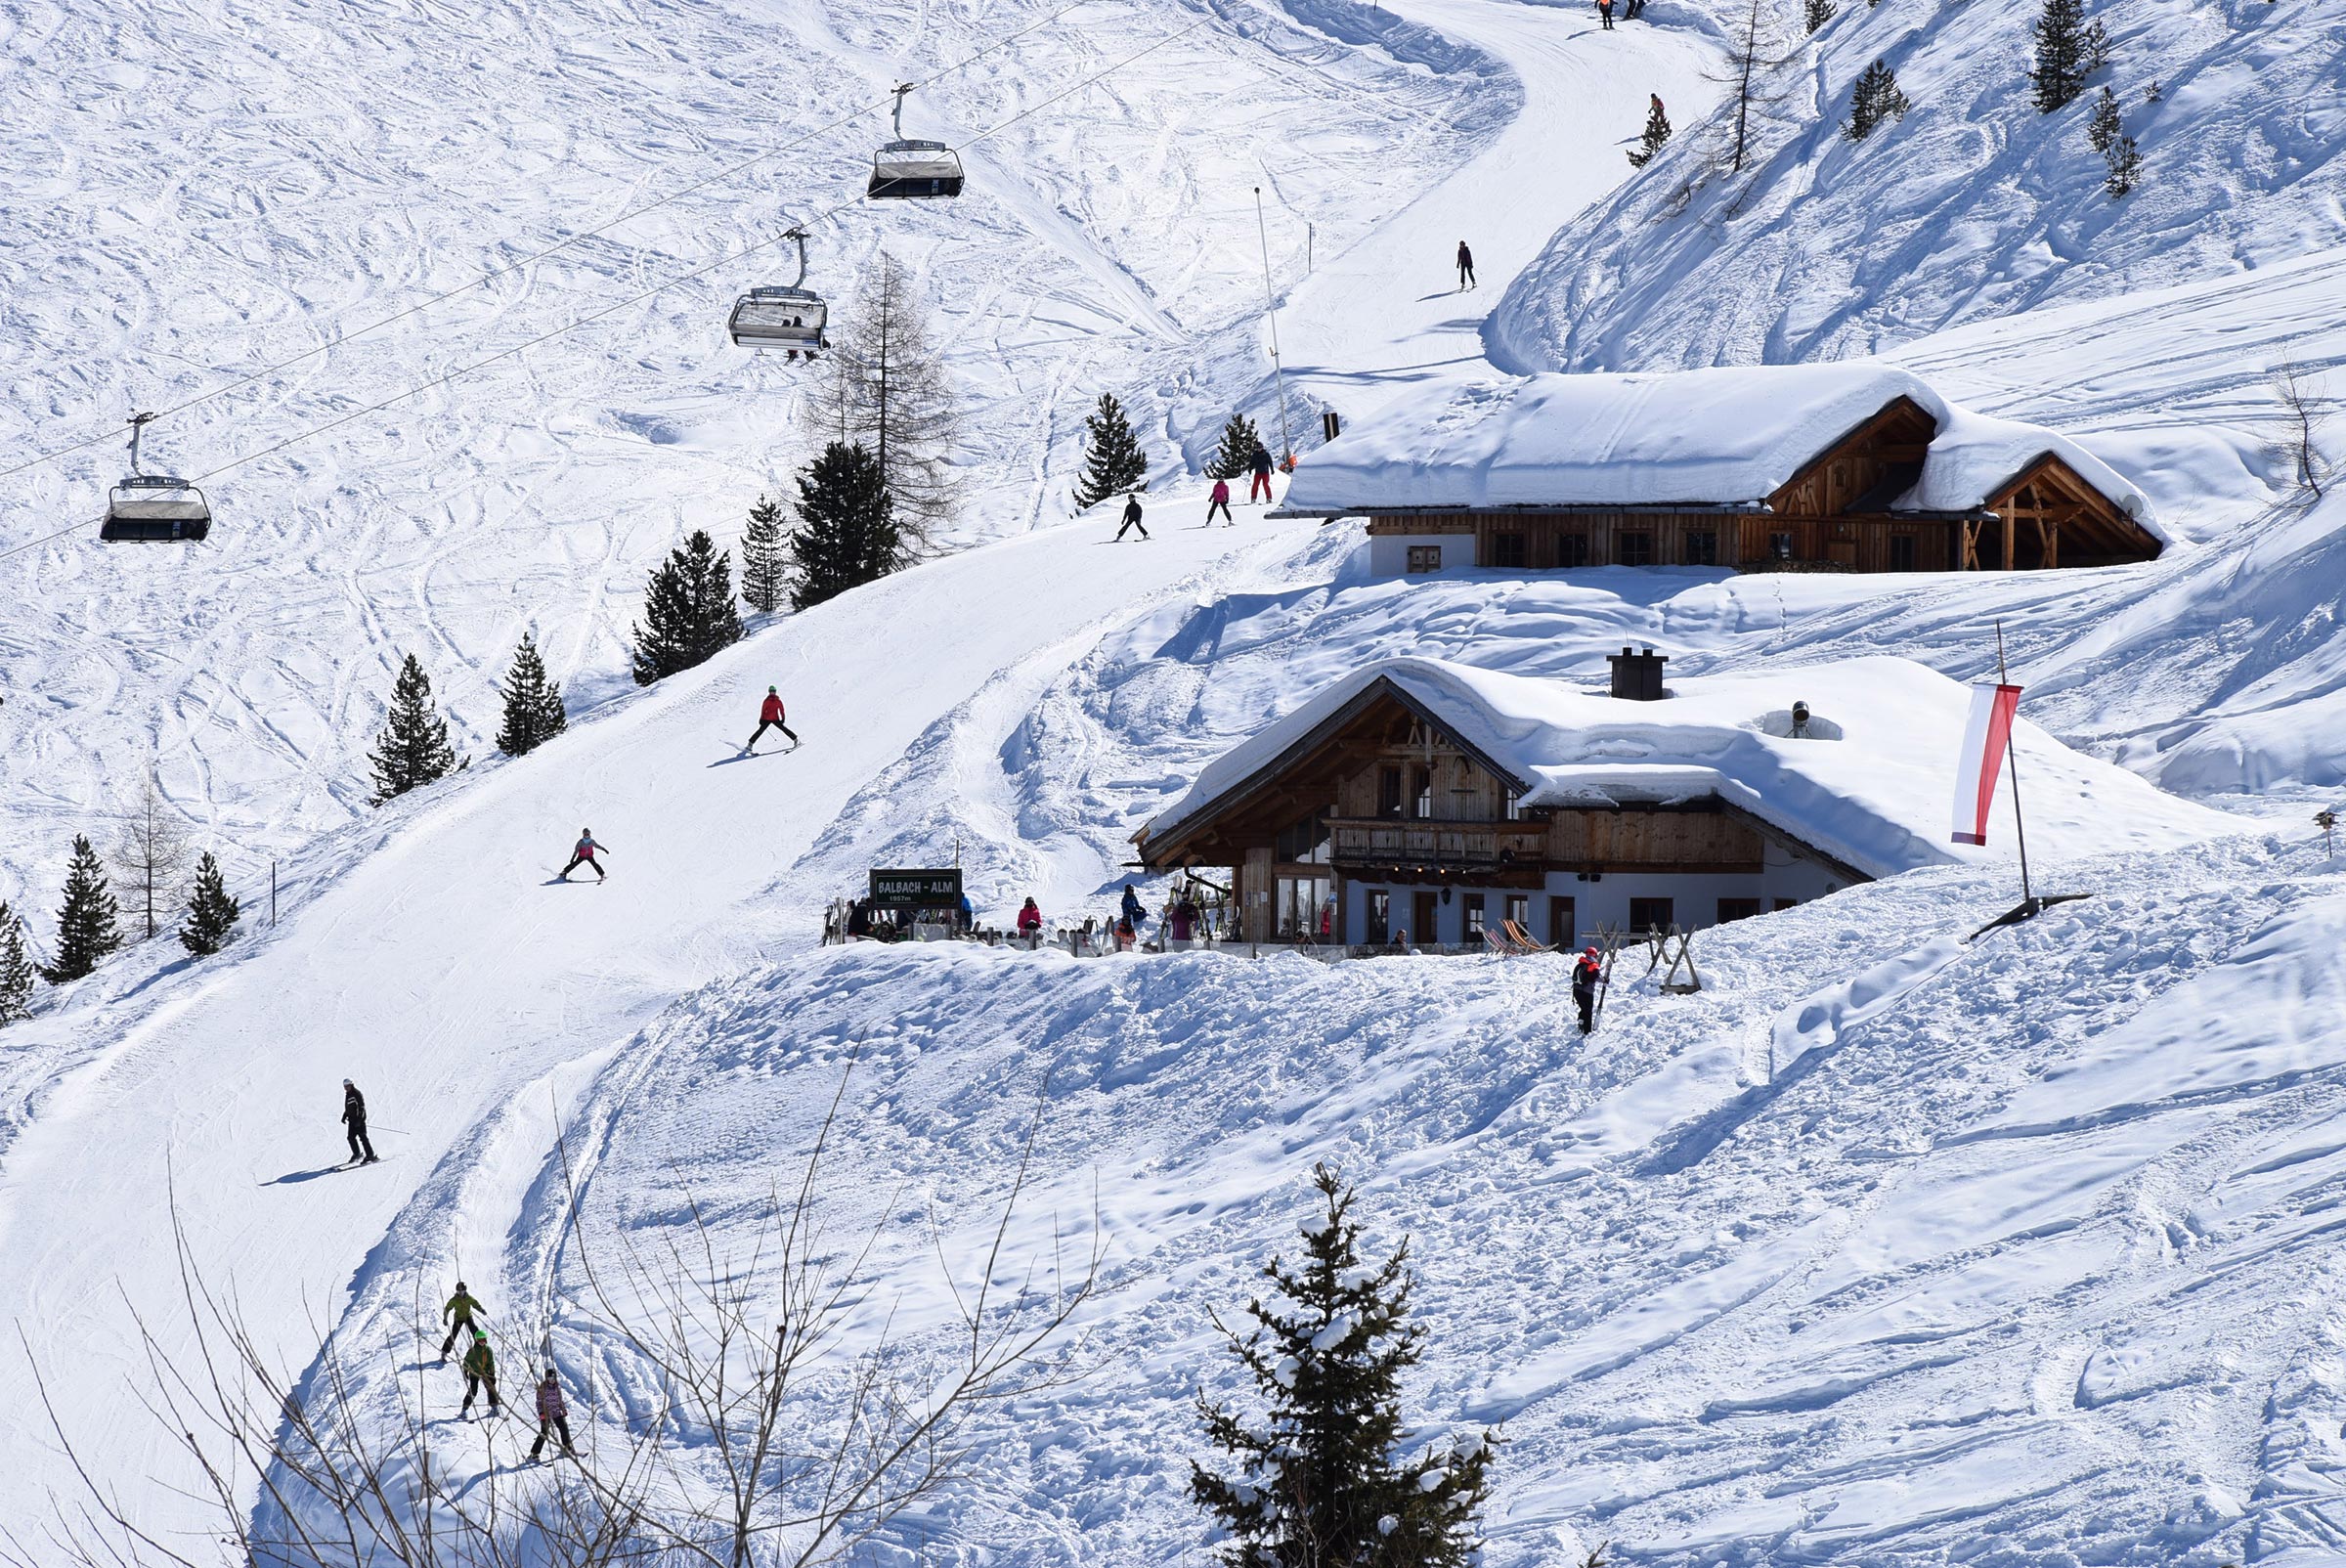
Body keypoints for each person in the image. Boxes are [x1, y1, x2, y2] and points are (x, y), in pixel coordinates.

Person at [528, 1368, 575, 1460]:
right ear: (546, 1379)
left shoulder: (557, 1387)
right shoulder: (543, 1387)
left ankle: (567, 1447)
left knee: (563, 1428)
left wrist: (563, 1409)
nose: (551, 1381)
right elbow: (538, 1402)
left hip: (556, 1411)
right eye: (549, 1379)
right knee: (544, 1433)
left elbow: (560, 1400)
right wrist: (541, 1413)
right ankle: (534, 1453)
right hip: (545, 1413)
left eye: (553, 1379)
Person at [742, 686, 799, 755]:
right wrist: (761, 718)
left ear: (775, 692)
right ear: (769, 692)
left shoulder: (778, 701)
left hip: (775, 719)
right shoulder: (766, 701)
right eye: (771, 691)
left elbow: (781, 710)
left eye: (773, 691)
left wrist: (783, 718)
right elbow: (763, 710)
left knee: (784, 729)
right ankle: (750, 744)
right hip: (766, 719)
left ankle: (795, 739)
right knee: (760, 731)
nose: (772, 693)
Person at [459, 1328, 501, 1416]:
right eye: (480, 1340)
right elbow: (466, 1361)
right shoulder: (473, 1350)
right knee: (473, 1391)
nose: (482, 1342)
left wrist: (492, 1374)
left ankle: (494, 1408)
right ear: (476, 1340)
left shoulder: (488, 1350)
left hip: (485, 1372)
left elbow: (491, 1362)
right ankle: (464, 1410)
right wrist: (465, 1371)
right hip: (474, 1372)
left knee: (491, 1388)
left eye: (484, 1340)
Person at [440, 1281, 485, 1360]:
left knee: (474, 1330)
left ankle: (480, 1349)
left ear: (465, 1291)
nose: (460, 1293)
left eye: (462, 1291)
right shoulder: (454, 1300)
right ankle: (444, 1352)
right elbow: (447, 1308)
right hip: (458, 1318)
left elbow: (475, 1304)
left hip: (468, 1316)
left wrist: (481, 1310)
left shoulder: (469, 1298)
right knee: (453, 1334)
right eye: (458, 1291)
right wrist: (445, 1318)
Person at [342, 1078, 379, 1165]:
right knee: (350, 1138)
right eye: (345, 1086)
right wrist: (344, 1116)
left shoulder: (356, 1094)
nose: (346, 1088)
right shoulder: (348, 1094)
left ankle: (370, 1155)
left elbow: (361, 1107)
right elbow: (349, 1108)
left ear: (351, 1085)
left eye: (347, 1086)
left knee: (363, 1137)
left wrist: (359, 1120)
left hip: (359, 1121)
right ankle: (357, 1154)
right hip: (351, 1121)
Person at [1572, 945, 1603, 1033]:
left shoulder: (1580, 963)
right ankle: (1587, 1031)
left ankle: (1581, 1020)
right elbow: (1597, 977)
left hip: (1576, 990)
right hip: (1587, 992)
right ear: (1595, 955)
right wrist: (1605, 980)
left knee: (1583, 1008)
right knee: (1588, 1011)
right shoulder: (1593, 965)